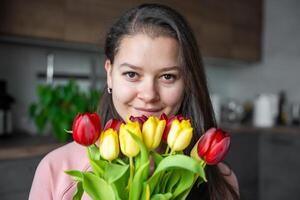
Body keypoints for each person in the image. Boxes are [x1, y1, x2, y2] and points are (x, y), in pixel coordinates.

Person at [29, 3, 239, 200]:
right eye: (131, 74)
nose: (149, 95)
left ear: (188, 82)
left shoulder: (220, 180)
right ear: (110, 74)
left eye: (168, 76)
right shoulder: (56, 170)